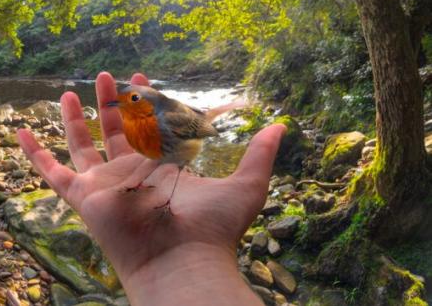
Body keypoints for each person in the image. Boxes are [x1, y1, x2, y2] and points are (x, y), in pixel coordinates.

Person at [17, 72, 286, 306]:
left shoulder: (170, 120)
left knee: (172, 167)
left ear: (150, 105)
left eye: (133, 100)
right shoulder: (133, 125)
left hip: (180, 143)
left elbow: (199, 129)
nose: (124, 104)